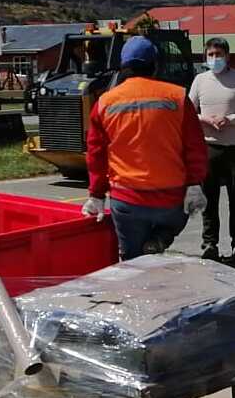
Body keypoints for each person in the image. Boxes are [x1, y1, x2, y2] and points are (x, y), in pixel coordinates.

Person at [82, 36, 209, 260]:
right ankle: (162, 237)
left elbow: (96, 154)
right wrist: (194, 183)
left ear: (123, 66)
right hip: (171, 199)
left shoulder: (105, 102)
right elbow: (195, 146)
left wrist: (96, 194)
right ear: (154, 64)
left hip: (127, 199)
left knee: (132, 260)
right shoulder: (178, 97)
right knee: (177, 219)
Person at [188, 37, 235, 263]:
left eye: (218, 54)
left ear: (227, 56)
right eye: (210, 55)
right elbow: (189, 111)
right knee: (209, 200)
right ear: (205, 57)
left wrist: (230, 119)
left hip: (234, 149)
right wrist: (205, 119)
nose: (214, 58)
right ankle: (210, 243)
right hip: (208, 146)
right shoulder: (200, 80)